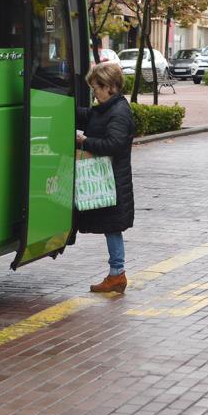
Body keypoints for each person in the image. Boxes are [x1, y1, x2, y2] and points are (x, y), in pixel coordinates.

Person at [76, 61, 135, 293]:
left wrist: (85, 142)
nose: (94, 93)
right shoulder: (107, 108)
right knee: (112, 227)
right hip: (108, 179)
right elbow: (88, 116)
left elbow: (115, 143)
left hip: (112, 180)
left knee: (113, 227)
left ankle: (117, 274)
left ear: (110, 87)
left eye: (97, 88)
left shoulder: (119, 112)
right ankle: (116, 273)